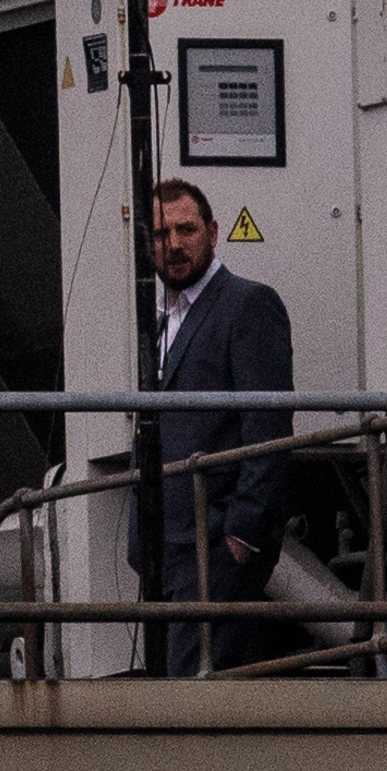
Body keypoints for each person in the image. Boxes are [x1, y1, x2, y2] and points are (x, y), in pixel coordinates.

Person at [129, 179, 297, 678]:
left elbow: (267, 422)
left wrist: (242, 531)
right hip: (168, 545)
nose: (175, 244)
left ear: (214, 232)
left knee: (195, 687)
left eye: (187, 229)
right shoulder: (161, 318)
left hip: (217, 539)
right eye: (162, 234)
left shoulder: (248, 304)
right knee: (178, 685)